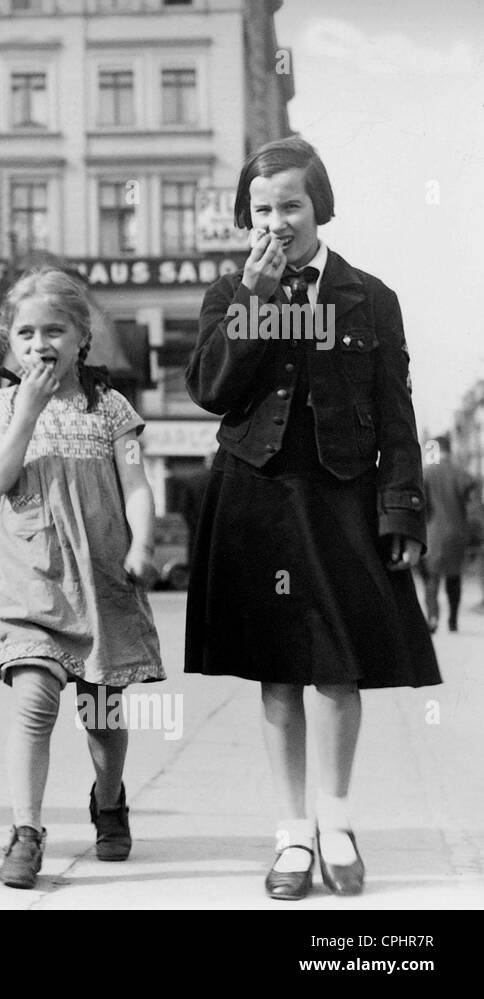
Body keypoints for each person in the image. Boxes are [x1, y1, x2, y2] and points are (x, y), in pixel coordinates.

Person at [185, 137, 439, 901]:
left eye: (290, 205)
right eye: (261, 209)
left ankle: (336, 822)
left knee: (339, 667)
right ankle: (291, 832)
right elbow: (212, 391)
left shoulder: (370, 297)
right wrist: (255, 304)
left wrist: (400, 506)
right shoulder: (229, 294)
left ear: (318, 206)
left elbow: (398, 413)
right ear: (245, 215)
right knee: (278, 672)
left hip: (339, 500)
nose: (276, 222)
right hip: (255, 498)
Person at [0, 268, 164, 889]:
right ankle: (26, 831)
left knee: (102, 714)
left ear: (81, 336)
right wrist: (26, 411)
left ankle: (108, 799)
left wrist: (142, 542)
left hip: (100, 580)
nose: (39, 343)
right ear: (10, 341)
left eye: (53, 329)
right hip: (30, 578)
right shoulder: (4, 404)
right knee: (35, 702)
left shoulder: (111, 409)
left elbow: (136, 486)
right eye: (25, 332)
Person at [419, 436, 478, 632]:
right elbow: (473, 508)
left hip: (431, 533)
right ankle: (453, 620)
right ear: (450, 450)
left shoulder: (425, 474)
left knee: (431, 579)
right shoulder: (463, 475)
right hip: (457, 533)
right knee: (454, 577)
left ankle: (433, 617)